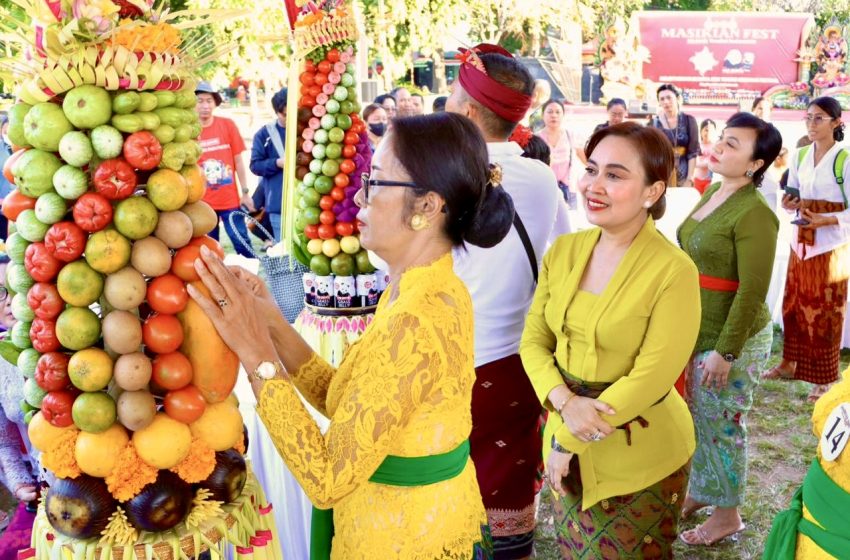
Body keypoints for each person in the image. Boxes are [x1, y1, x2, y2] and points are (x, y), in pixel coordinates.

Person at [189, 112, 515, 559]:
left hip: (408, 540)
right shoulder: (421, 284)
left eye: (376, 183)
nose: (359, 198)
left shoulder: (417, 317)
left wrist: (254, 352)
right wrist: (271, 324)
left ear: (426, 206)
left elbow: (326, 478)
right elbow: (350, 403)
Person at [520, 122, 700, 559]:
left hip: (640, 458)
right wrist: (564, 404)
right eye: (592, 170)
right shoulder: (563, 252)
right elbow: (533, 342)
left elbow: (652, 377)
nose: (593, 186)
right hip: (565, 434)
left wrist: (569, 439)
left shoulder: (673, 271)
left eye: (615, 176)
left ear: (653, 192)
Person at [447, 43, 570, 560]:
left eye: (452, 97)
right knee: (508, 481)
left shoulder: (441, 174)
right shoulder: (541, 177)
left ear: (471, 111)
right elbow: (562, 255)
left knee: (443, 486)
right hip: (519, 363)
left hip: (448, 364)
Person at [676, 112, 782, 546]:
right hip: (700, 326)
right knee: (699, 417)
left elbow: (753, 291)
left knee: (724, 423)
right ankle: (704, 490)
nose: (719, 146)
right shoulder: (716, 189)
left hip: (733, 337)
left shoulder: (756, 213)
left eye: (733, 144)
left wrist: (727, 351)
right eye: (722, 138)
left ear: (756, 164)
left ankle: (728, 515)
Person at [764, 97, 850, 403]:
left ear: (836, 122)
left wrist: (827, 219)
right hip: (801, 242)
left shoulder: (845, 160)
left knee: (827, 312)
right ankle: (789, 362)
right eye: (809, 118)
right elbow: (795, 198)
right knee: (794, 304)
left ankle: (825, 377)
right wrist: (791, 205)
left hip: (831, 246)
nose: (812, 124)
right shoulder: (799, 156)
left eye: (819, 119)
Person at [195, 81, 254, 257]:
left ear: (215, 103)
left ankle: (251, 281)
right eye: (200, 101)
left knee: (243, 245)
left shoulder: (227, 125)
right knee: (210, 252)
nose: (205, 106)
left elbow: (239, 161)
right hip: (203, 204)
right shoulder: (189, 132)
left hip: (230, 201)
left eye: (209, 101)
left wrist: (245, 192)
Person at [249, 88, 287, 242]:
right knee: (283, 253)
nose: (290, 118)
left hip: (309, 204)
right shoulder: (265, 134)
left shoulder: (308, 129)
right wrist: (277, 163)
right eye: (285, 115)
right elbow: (255, 165)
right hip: (278, 205)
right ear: (277, 113)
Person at [650, 83, 699, 188]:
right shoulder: (654, 123)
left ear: (677, 98)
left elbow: (692, 153)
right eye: (662, 99)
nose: (666, 102)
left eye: (669, 97)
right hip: (661, 175)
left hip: (684, 174)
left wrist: (690, 178)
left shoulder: (688, 120)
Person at [537, 99, 581, 208]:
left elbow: (584, 156)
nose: (554, 115)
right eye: (550, 112)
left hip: (568, 187)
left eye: (558, 112)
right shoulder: (536, 138)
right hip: (544, 188)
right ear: (543, 115)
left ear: (563, 115)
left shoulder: (570, 135)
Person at [693, 119, 718, 194]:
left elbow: (716, 163)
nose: (708, 133)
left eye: (711, 130)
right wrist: (709, 162)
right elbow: (696, 163)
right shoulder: (697, 146)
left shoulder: (716, 147)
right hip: (697, 180)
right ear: (701, 132)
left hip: (710, 181)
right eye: (706, 130)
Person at [0, 117, 13, 239]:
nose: (7, 135)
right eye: (5, 132)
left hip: (20, 204)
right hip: (2, 204)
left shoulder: (25, 149)